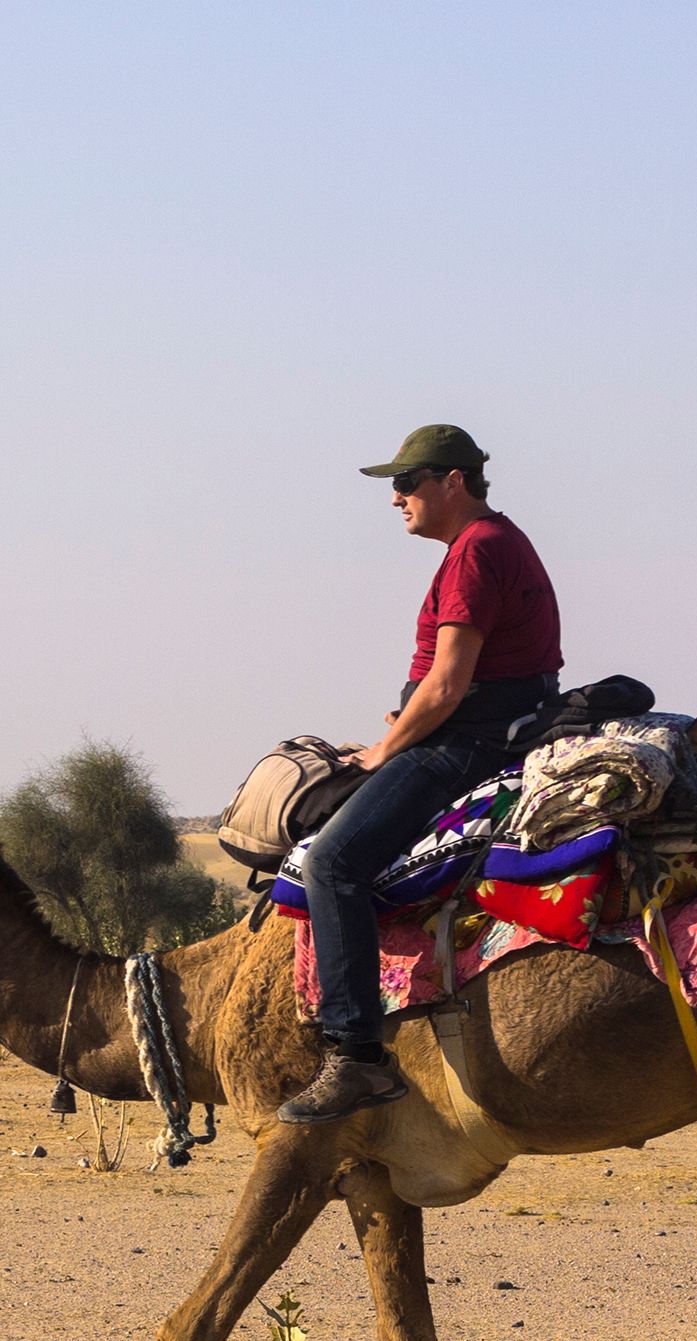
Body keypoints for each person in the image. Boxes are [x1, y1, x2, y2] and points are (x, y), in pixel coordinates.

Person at [277, 424, 563, 1125]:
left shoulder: (476, 553)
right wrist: (395, 729)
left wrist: (383, 752)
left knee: (332, 864)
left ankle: (355, 1057)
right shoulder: (491, 544)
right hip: (472, 732)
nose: (396, 497)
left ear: (453, 482)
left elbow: (446, 687)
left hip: (463, 746)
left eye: (407, 483)